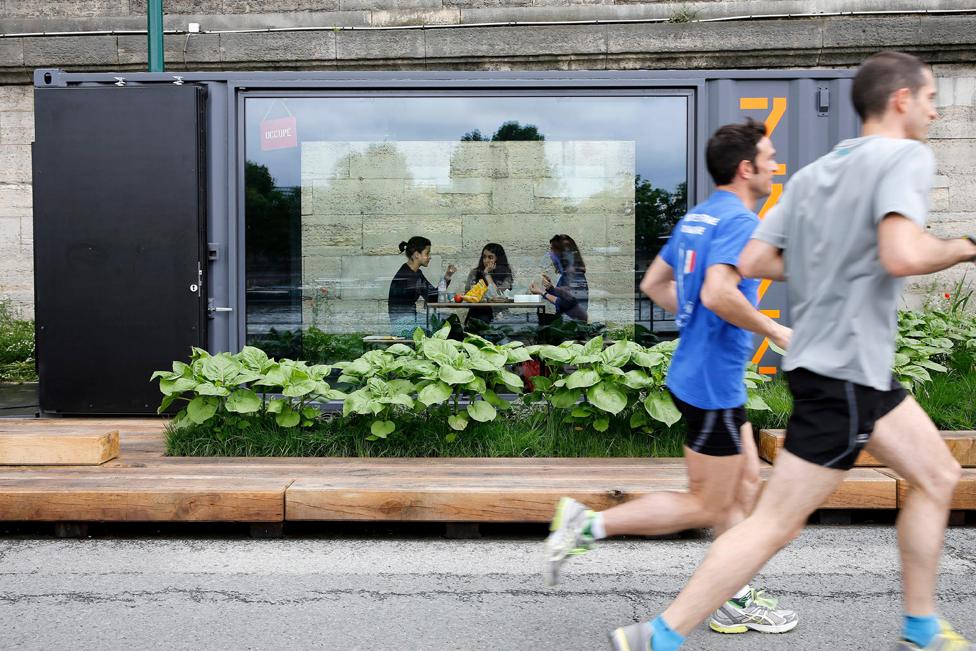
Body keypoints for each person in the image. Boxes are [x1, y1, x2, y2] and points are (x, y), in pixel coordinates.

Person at [610, 51, 976, 651]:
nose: (936, 111)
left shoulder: (813, 174)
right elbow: (903, 255)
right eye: (931, 98)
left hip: (838, 366)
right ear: (901, 100)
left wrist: (828, 265)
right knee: (774, 523)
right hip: (847, 368)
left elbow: (755, 262)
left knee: (937, 474)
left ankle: (922, 626)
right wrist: (965, 245)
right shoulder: (907, 156)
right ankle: (660, 633)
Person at [543, 120, 798, 639]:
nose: (776, 165)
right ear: (746, 168)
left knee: (747, 482)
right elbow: (717, 294)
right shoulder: (739, 221)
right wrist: (775, 330)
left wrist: (695, 324)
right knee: (707, 503)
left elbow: (655, 283)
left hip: (700, 371)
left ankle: (736, 595)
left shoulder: (700, 217)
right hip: (713, 382)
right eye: (769, 157)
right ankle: (588, 525)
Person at [387, 236, 456, 335]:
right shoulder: (409, 275)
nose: (430, 257)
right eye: (427, 253)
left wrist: (447, 276)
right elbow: (432, 297)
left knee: (447, 321)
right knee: (449, 322)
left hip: (410, 319)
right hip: (404, 325)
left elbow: (432, 297)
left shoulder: (414, 273)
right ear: (416, 255)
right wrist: (446, 277)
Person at [531, 234, 589, 322]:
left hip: (571, 325)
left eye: (552, 250)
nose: (550, 254)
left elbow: (564, 304)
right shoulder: (567, 274)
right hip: (568, 322)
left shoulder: (574, 274)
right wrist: (550, 288)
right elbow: (564, 296)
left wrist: (542, 292)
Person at [463, 243, 514, 325]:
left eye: (490, 257)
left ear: (498, 259)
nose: (486, 260)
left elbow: (498, 296)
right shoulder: (475, 272)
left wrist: (487, 274)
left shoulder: (505, 273)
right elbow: (467, 295)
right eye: (484, 257)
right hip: (478, 314)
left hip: (499, 316)